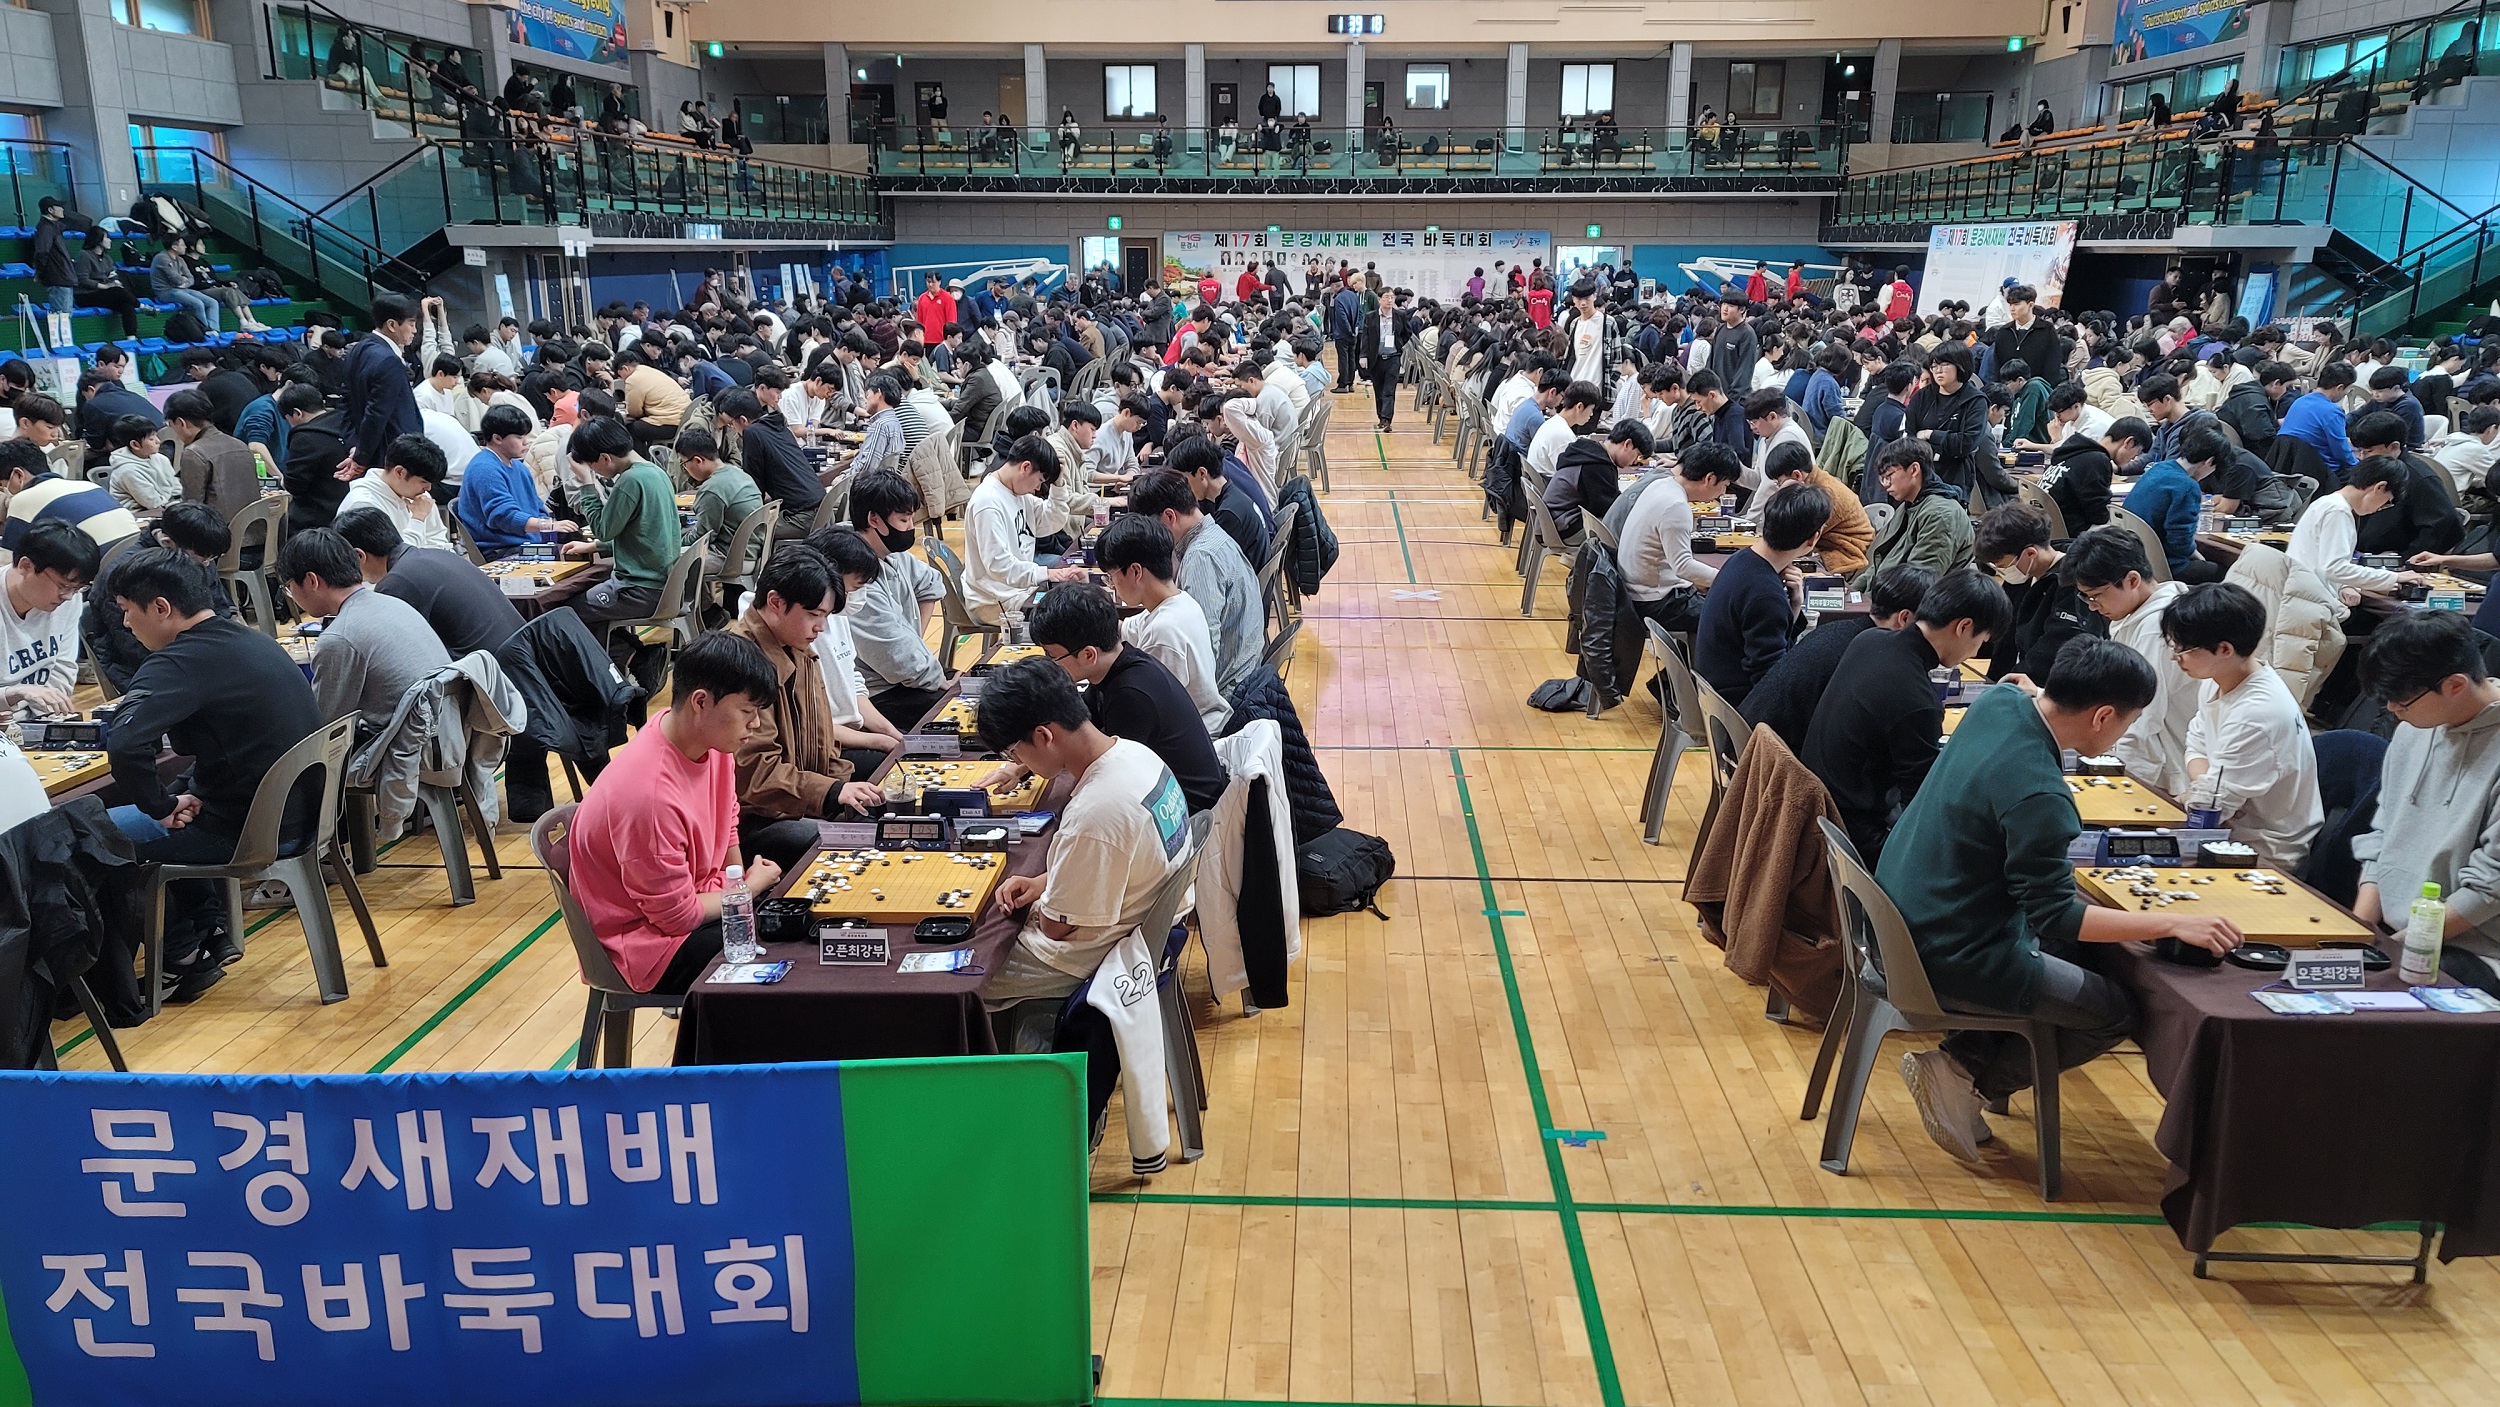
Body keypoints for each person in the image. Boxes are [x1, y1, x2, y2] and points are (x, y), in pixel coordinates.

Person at [1883, 638, 2243, 1161]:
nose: (2125, 733)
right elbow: (2057, 915)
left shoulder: (1999, 702)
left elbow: (2024, 695)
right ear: (2102, 716)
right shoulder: (2041, 795)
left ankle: (1960, 1063)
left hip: (1908, 913)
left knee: (2081, 959)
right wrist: (2170, 923)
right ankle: (1964, 1078)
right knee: (2114, 1012)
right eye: (2127, 722)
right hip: (1952, 953)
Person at [106, 548, 323, 1003]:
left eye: (127, 610)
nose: (125, 624)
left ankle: (176, 956)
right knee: (175, 802)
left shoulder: (179, 661)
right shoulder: (254, 639)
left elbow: (124, 744)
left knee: (93, 844)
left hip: (248, 832)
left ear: (161, 608)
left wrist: (160, 806)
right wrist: (170, 800)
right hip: (303, 818)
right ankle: (208, 933)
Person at [973, 657, 1193, 1051]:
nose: (1018, 763)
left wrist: (1048, 897)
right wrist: (1046, 882)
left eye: (1015, 752)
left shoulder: (1096, 811)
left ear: (1044, 735)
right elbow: (1122, 861)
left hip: (1088, 957)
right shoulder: (1135, 754)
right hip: (1139, 924)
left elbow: (1057, 929)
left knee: (955, 976)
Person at [569, 630, 788, 996]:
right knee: (785, 959)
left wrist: (738, 884)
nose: (755, 724)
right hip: (649, 947)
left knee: (795, 914)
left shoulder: (708, 742)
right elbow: (676, 917)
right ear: (701, 702)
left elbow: (727, 821)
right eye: (746, 712)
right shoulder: (648, 795)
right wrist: (748, 890)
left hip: (699, 900)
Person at [1804, 569, 2011, 863]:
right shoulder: (1917, 700)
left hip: (1819, 809)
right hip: (1855, 836)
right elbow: (1921, 810)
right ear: (1964, 627)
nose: (1975, 653)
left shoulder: (1870, 640)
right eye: (1981, 642)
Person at [2351, 610, 2500, 987]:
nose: (2391, 710)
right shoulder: (2414, 728)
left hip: (2475, 949)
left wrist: (2395, 949)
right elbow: (2383, 835)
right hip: (2400, 934)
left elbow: (2491, 888)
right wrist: (2358, 935)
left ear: (2455, 685)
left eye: (2402, 701)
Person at [722, 546, 886, 870]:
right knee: (855, 847)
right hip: (758, 820)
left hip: (800, 799)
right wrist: (832, 793)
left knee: (884, 806)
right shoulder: (741, 665)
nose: (821, 627)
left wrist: (841, 792)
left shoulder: (798, 647)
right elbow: (755, 774)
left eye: (825, 616)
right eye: (814, 614)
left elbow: (824, 741)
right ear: (775, 602)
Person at [1024, 584, 1226, 814]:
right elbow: (1077, 720)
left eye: (1052, 657)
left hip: (1189, 814)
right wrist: (1025, 761)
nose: (1050, 665)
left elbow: (1110, 776)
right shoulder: (1117, 666)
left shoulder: (1131, 695)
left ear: (1088, 655)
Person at [2164, 582, 2323, 870]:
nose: (2176, 657)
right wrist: (2205, 788)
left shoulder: (2258, 713)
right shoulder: (2218, 679)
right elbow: (2196, 744)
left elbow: (2213, 808)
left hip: (2263, 851)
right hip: (2228, 830)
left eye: (2184, 648)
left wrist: (2203, 792)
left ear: (2225, 649)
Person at [277, 526, 453, 736]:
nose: (291, 596)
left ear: (311, 581)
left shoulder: (339, 637)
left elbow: (325, 726)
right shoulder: (393, 603)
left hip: (409, 750)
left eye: (289, 587)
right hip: (452, 735)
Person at [1741, 565, 1936, 751]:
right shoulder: (1868, 656)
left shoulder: (1837, 629)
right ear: (1904, 619)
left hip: (1747, 734)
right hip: (1769, 756)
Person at [2065, 526, 2196, 794]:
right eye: (2086, 597)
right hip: (2147, 751)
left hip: (2170, 771)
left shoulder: (2156, 630)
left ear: (2132, 580)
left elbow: (2142, 719)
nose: (2092, 605)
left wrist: (2113, 783)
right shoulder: (2135, 612)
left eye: (2096, 595)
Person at [1692, 479, 1831, 704]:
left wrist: (1794, 606)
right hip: (1734, 705)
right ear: (1813, 538)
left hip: (1715, 692)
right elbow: (1770, 683)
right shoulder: (1765, 593)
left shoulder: (1741, 559)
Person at [1129, 467, 1261, 692]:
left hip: (1229, 692)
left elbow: (1203, 650)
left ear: (1169, 516)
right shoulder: (1212, 536)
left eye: (1149, 528)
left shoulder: (1201, 558)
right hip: (1243, 675)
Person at [1095, 514, 1229, 734]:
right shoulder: (1179, 602)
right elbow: (1124, 629)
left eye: (1111, 577)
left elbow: (1151, 710)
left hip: (1196, 735)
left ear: (1136, 571)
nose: (1112, 586)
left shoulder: (1163, 631)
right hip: (1199, 723)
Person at [334, 508, 523, 660]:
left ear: (359, 556)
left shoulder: (396, 583)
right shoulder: (436, 555)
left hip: (493, 678)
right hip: (518, 661)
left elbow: (395, 655)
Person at [843, 469, 949, 725]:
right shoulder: (855, 576)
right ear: (874, 520)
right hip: (879, 692)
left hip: (910, 675)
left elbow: (931, 583)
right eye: (904, 520)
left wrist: (915, 640)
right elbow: (896, 660)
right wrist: (938, 679)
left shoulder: (889, 550)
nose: (911, 527)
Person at [562, 416, 684, 631]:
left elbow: (603, 530)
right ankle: (630, 650)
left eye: (592, 466)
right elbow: (643, 534)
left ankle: (627, 650)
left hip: (641, 590)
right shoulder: (655, 471)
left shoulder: (630, 481)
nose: (594, 472)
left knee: (567, 612)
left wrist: (587, 484)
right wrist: (594, 547)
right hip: (664, 586)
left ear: (605, 458)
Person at [965, 434, 1088, 626]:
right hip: (995, 601)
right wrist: (1046, 573)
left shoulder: (1018, 493)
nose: (1038, 488)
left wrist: (1058, 485)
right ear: (1025, 467)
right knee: (1073, 615)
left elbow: (1053, 520)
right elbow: (999, 565)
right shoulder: (987, 502)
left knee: (1082, 594)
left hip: (1020, 590)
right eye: (1039, 480)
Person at [1974, 503, 2102, 684]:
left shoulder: (2074, 584)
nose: (2001, 572)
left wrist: (2006, 687)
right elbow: (2001, 631)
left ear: (2030, 553)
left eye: (2002, 566)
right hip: (2010, 681)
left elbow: (2051, 653)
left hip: (2045, 686)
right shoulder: (2022, 576)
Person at [1615, 443, 1737, 634]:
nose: (1723, 493)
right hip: (1655, 602)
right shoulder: (1676, 506)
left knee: (1716, 595)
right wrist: (1729, 580)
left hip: (1635, 591)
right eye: (1725, 485)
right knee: (1734, 618)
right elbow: (1683, 566)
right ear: (1709, 479)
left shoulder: (1661, 484)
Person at [2285, 453, 2424, 612]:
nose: (2380, 509)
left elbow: (2324, 562)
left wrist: (2344, 585)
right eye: (2387, 502)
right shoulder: (2338, 511)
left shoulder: (2327, 502)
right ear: (2379, 488)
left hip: (2304, 593)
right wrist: (2396, 577)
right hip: (2312, 602)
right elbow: (2334, 568)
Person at [0, 520, 97, 716]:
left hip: (38, 719)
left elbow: (64, 668)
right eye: (63, 586)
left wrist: (43, 719)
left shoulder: (68, 599)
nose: (68, 596)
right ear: (26, 566)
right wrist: (14, 694)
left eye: (78, 588)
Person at [456, 404, 572, 559]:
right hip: (502, 550)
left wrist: (550, 527)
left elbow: (537, 507)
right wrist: (547, 525)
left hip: (528, 545)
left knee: (578, 551)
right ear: (497, 438)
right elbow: (503, 516)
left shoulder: (519, 467)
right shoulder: (484, 468)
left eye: (525, 436)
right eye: (519, 437)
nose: (526, 442)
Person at [2346, 409, 2465, 559]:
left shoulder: (2420, 478)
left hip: (2394, 559)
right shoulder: (2371, 469)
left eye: (2368, 451)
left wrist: (2405, 558)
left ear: (2393, 447)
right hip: (2363, 554)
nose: (2362, 457)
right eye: (2358, 451)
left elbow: (2443, 524)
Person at [1858, 439, 1973, 587]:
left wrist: (1866, 598)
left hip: (1917, 599)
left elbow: (1918, 583)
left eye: (1890, 475)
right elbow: (1879, 565)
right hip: (1889, 593)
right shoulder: (1909, 505)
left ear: (1914, 470)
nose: (1885, 484)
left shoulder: (1940, 514)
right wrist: (1852, 591)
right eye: (1882, 478)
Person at [2118, 428, 2221, 582]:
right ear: (2209, 461)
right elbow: (2180, 542)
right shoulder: (2187, 486)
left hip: (2134, 555)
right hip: (2164, 564)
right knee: (2225, 572)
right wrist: (2197, 555)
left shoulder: (2159, 468)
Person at [0, 438, 137, 552]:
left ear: (18, 475)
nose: (4, 490)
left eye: (2, 485)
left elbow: (10, 554)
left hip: (102, 570)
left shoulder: (23, 498)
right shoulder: (88, 485)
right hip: (139, 560)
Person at [1763, 440, 1871, 578]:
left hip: (1845, 554)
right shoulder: (1812, 484)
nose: (1779, 488)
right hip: (1824, 546)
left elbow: (1798, 538)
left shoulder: (1825, 495)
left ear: (1797, 475)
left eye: (1779, 482)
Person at [342, 294, 423, 475]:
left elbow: (346, 404)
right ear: (392, 325)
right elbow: (376, 414)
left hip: (369, 449)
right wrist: (361, 458)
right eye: (411, 324)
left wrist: (354, 447)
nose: (415, 330)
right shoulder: (388, 360)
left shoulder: (357, 349)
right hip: (392, 456)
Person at [336, 433, 455, 553]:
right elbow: (396, 558)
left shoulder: (420, 497)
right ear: (399, 472)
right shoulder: (363, 505)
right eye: (423, 481)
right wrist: (418, 519)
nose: (428, 488)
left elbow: (438, 540)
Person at [162, 389, 259, 527]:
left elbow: (191, 510)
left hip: (219, 534)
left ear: (180, 422)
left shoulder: (194, 453)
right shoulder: (240, 444)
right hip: (256, 531)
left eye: (170, 425)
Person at [1546, 418, 1651, 543]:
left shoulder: (1590, 452)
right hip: (1564, 526)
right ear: (1627, 444)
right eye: (1638, 455)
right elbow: (1610, 509)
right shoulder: (1596, 465)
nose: (1635, 462)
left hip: (1556, 519)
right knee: (1627, 532)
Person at [2278, 362, 2360, 485]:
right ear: (2339, 388)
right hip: (2320, 469)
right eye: (2347, 390)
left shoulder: (2299, 401)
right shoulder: (2332, 412)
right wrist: (2359, 465)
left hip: (2289, 465)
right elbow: (2341, 452)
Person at [102, 414, 181, 515]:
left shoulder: (161, 459)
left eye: (156, 436)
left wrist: (179, 502)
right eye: (151, 439)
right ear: (135, 445)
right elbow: (153, 503)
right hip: (137, 514)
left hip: (163, 508)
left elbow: (177, 488)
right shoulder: (127, 471)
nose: (158, 441)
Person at [1359, 285, 1410, 433]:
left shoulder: (1400, 315)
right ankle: (1381, 416)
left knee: (1389, 390)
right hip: (1376, 358)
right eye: (1387, 297)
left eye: (1392, 297)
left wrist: (1399, 344)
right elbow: (1365, 337)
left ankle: (1387, 419)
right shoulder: (1371, 316)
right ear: (1379, 299)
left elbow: (1407, 333)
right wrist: (1363, 355)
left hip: (1393, 357)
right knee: (1379, 389)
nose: (1390, 300)